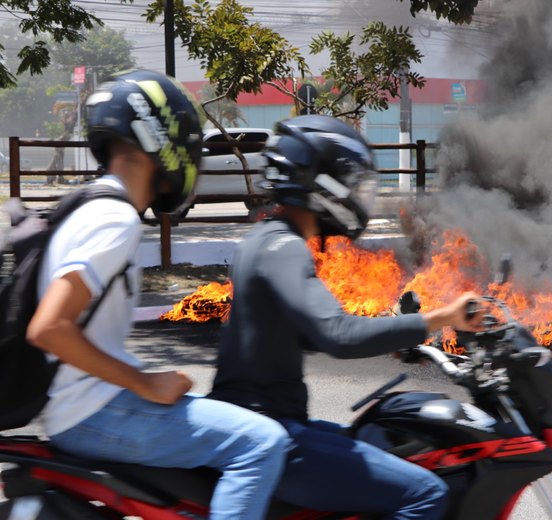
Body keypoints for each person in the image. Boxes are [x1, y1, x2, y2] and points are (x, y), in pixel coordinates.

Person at [26, 69, 289, 520]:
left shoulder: (90, 204)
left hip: (88, 403)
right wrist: (143, 382)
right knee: (262, 443)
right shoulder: (114, 218)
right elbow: (49, 328)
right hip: (93, 411)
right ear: (160, 139)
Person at [208, 115, 483, 520]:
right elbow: (338, 335)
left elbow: (302, 335)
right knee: (424, 492)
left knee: (381, 444)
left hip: (257, 421)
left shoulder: (263, 240)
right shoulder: (284, 247)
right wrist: (440, 318)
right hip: (270, 432)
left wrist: (391, 335)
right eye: (350, 182)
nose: (356, 194)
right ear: (322, 184)